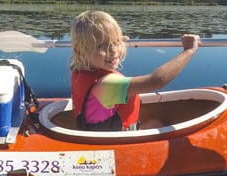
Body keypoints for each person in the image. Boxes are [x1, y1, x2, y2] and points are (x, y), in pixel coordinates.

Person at [70, 10, 199, 131]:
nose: (114, 50)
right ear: (80, 51)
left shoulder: (81, 72)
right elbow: (156, 80)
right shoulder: (107, 84)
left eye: (116, 42)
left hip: (101, 135)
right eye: (103, 46)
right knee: (159, 125)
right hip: (116, 144)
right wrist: (189, 51)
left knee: (155, 124)